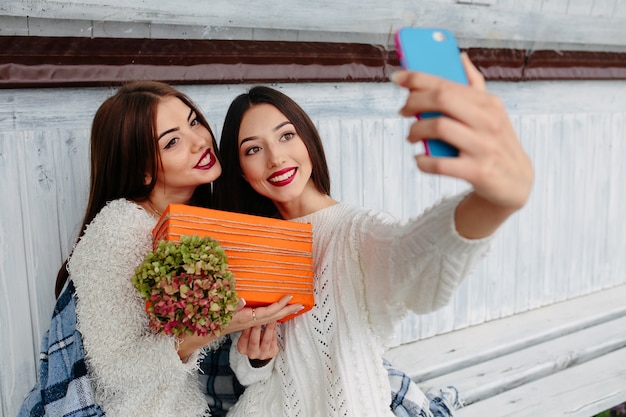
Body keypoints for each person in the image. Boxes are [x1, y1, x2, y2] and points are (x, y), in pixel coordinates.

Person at [213, 53, 534, 416]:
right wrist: (256, 360)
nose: (275, 157)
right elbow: (249, 372)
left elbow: (415, 260)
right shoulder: (250, 242)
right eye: (253, 149)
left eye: (286, 135)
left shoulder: (355, 230)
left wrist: (494, 203)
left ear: (308, 141)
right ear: (240, 171)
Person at [18, 81, 301, 417]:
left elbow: (224, 363)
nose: (200, 141)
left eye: (193, 121)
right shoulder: (121, 230)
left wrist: (255, 354)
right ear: (142, 169)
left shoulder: (207, 227)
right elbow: (115, 371)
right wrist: (211, 328)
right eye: (172, 142)